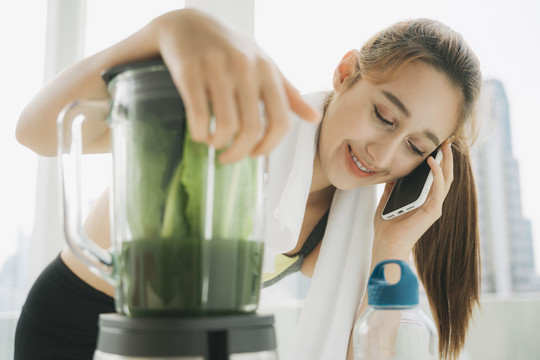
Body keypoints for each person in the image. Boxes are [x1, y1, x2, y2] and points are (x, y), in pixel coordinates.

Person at [14, 8, 481, 360]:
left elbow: (368, 349)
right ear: (345, 74)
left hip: (184, 341)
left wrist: (391, 243)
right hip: (76, 321)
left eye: (416, 148)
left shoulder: (340, 228)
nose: (383, 154)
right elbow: (35, 131)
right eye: (383, 115)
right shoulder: (232, 122)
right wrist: (163, 31)